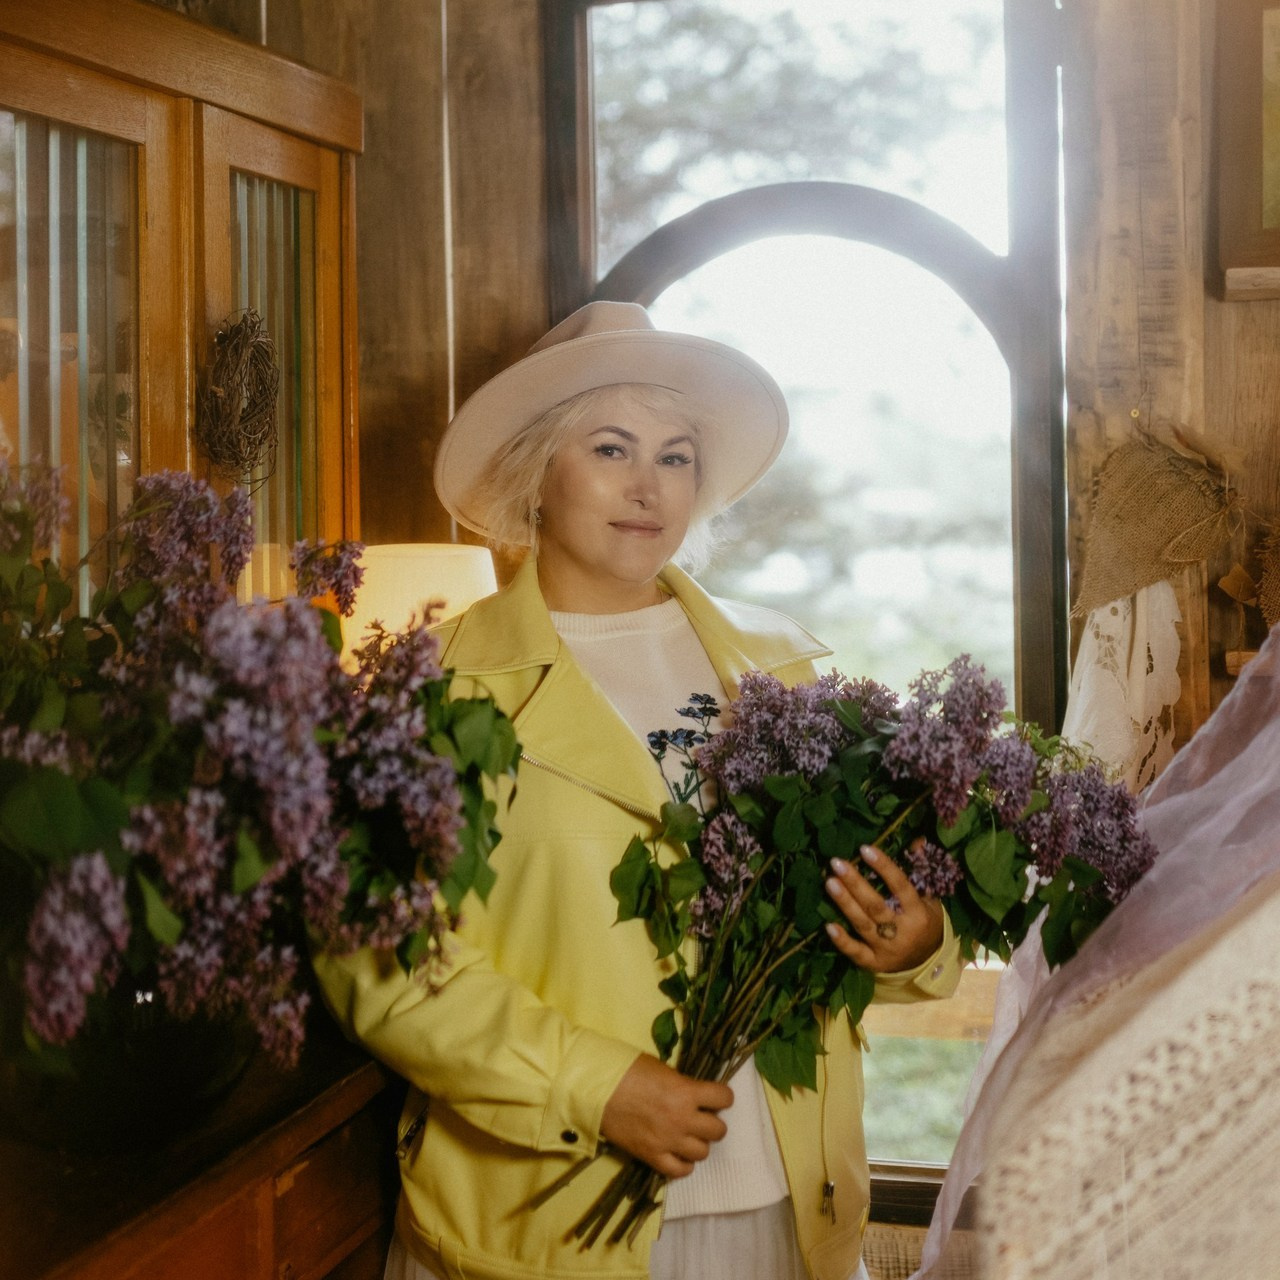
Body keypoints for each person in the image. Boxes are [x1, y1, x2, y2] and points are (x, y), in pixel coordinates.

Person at [314, 302, 963, 1280]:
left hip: (784, 1211)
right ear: (536, 471)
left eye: (674, 455)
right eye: (610, 447)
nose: (646, 485)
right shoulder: (431, 687)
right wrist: (598, 1084)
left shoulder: (779, 669)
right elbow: (381, 966)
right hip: (544, 1225)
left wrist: (916, 944)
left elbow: (840, 909)